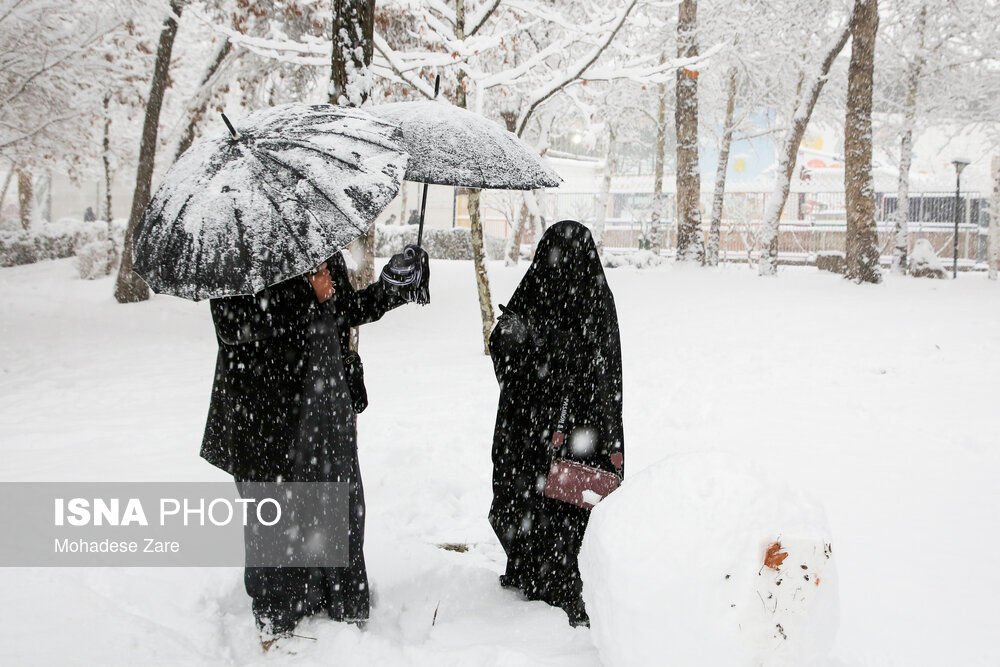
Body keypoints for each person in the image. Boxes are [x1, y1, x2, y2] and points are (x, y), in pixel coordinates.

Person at [200, 247, 427, 647]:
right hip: (264, 412)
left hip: (321, 406)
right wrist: (307, 295)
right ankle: (278, 619)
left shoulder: (313, 240)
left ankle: (339, 602)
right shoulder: (241, 247)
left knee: (338, 503)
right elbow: (232, 325)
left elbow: (340, 308)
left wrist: (391, 288)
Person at [488, 220, 624, 627]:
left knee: (564, 502)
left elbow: (602, 372)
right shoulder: (535, 287)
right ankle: (528, 566)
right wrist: (511, 337)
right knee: (521, 491)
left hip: (574, 430)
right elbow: (502, 349)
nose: (558, 264)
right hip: (528, 423)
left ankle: (561, 578)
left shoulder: (596, 301)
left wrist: (551, 347)